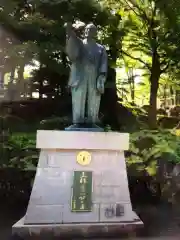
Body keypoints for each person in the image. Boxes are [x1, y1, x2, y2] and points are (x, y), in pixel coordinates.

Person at [66, 22, 108, 127]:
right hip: (80, 73)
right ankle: (77, 121)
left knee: (94, 97)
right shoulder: (78, 43)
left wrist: (102, 76)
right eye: (87, 29)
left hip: (94, 74)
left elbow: (103, 62)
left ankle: (92, 121)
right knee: (78, 96)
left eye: (91, 30)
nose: (88, 31)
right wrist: (71, 34)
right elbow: (72, 55)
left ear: (95, 33)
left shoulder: (100, 48)